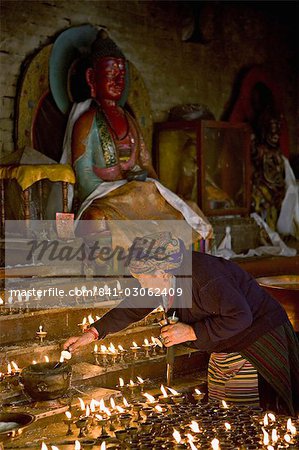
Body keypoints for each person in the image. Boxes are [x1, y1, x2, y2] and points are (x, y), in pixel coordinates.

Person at [64, 232, 299, 415]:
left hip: (255, 338)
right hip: (225, 343)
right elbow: (134, 305)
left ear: (163, 273)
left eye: (143, 280)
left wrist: (191, 331)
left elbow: (240, 316)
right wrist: (93, 332)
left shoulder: (205, 278)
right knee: (220, 406)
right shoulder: (166, 277)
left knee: (245, 412)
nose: (143, 286)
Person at [67, 30, 211, 243]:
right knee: (96, 219)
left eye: (122, 76)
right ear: (92, 78)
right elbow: (84, 177)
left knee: (182, 212)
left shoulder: (130, 121)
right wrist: (121, 185)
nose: (117, 81)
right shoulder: (87, 122)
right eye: (110, 75)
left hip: (139, 197)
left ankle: (179, 263)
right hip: (107, 199)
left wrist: (146, 181)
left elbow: (147, 165)